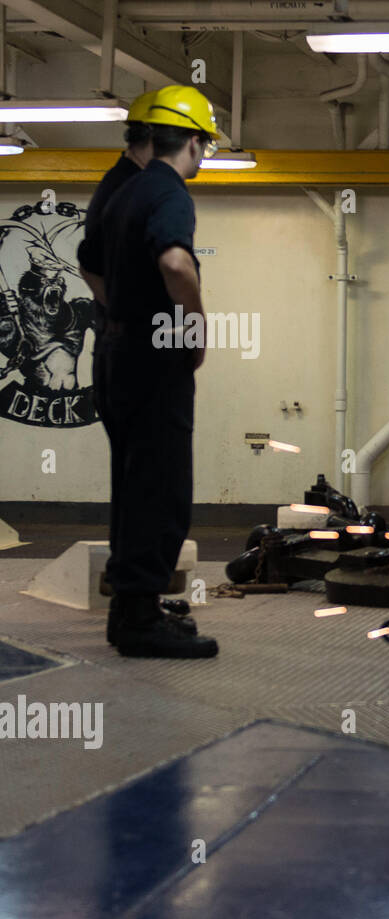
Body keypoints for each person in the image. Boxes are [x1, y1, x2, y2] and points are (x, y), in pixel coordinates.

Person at [80, 85, 220, 658]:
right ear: (192, 141)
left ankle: (130, 610)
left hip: (116, 356)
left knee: (135, 482)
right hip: (152, 361)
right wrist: (194, 328)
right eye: (204, 144)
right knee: (161, 485)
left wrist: (123, 314)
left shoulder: (121, 191)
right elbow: (175, 261)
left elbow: (92, 265)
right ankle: (139, 621)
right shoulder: (168, 191)